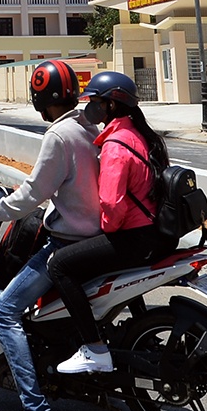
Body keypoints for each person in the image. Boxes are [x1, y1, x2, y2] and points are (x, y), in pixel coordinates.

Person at [0, 59, 100, 411]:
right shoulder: (89, 127)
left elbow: (32, 193)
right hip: (98, 235)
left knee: (4, 311)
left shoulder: (59, 136)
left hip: (69, 241)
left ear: (41, 98)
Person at [45, 71, 176, 376]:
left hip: (134, 237)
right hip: (153, 233)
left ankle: (93, 347)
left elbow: (113, 207)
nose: (89, 106)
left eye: (95, 101)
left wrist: (96, 229)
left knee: (59, 266)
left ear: (111, 107)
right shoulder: (139, 135)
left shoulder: (116, 146)